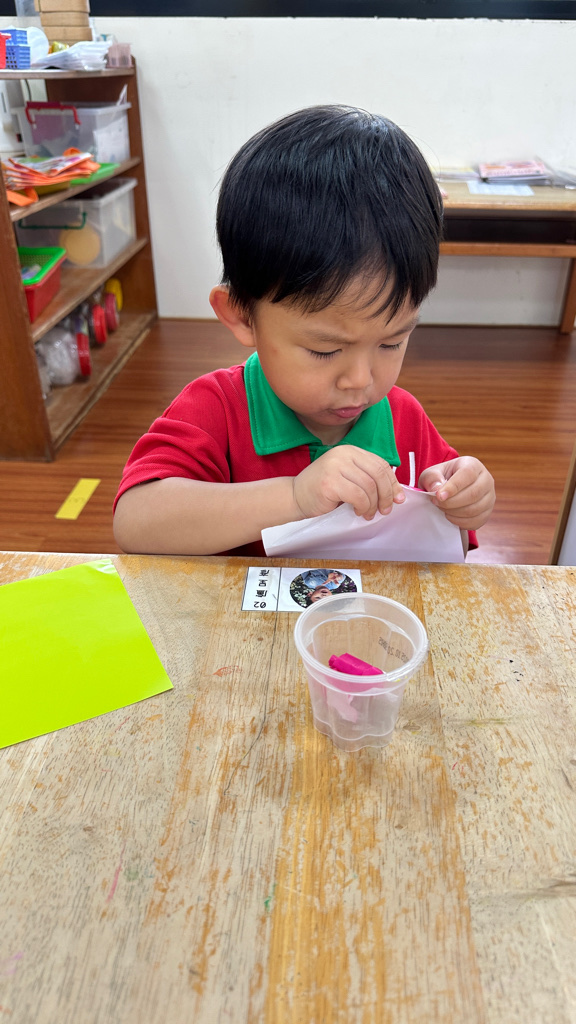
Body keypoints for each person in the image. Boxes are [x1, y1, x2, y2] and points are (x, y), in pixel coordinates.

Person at [113, 105, 495, 557]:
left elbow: (450, 532)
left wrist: (463, 499)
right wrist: (294, 496)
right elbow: (136, 522)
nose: (360, 380)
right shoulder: (217, 410)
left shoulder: (404, 420)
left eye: (391, 342)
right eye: (324, 350)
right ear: (241, 315)